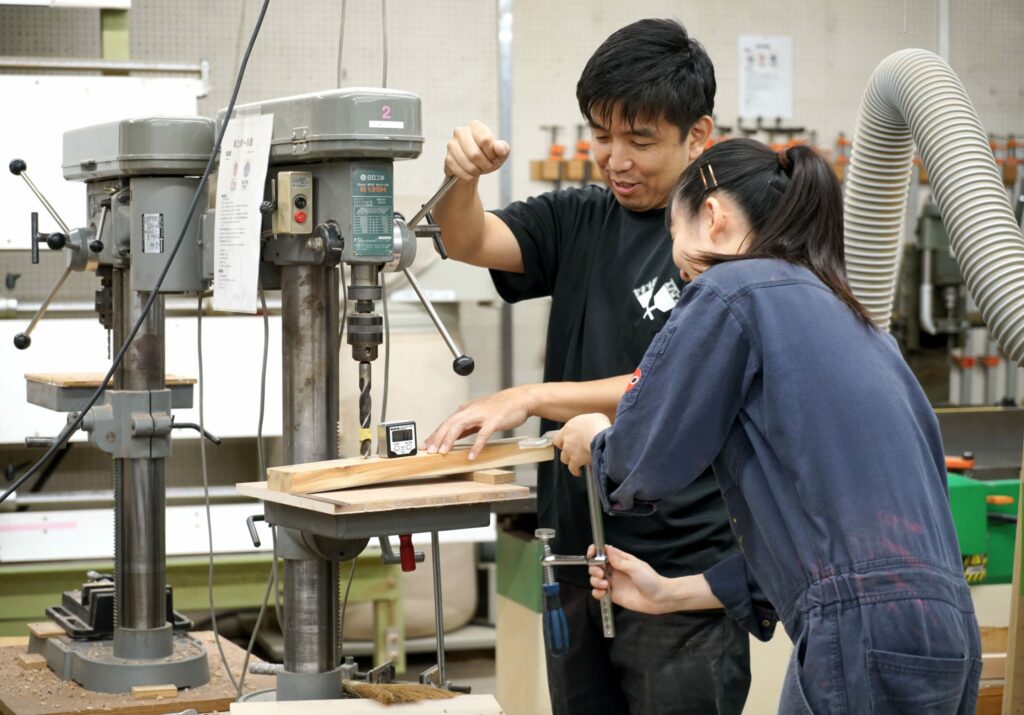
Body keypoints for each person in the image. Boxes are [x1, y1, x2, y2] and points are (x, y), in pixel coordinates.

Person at [556, 137, 983, 714]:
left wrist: (595, 443)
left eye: (671, 233)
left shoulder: (732, 289)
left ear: (712, 217)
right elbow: (828, 545)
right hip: (948, 634)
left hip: (862, 634)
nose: (677, 265)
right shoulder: (857, 321)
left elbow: (642, 461)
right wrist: (670, 593)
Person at [424, 18, 751, 715]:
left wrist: (532, 395)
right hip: (574, 556)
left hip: (677, 572)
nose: (615, 158)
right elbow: (468, 236)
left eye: (640, 141)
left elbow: (681, 385)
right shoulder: (580, 218)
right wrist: (461, 178)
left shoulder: (721, 242)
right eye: (601, 134)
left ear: (698, 136)